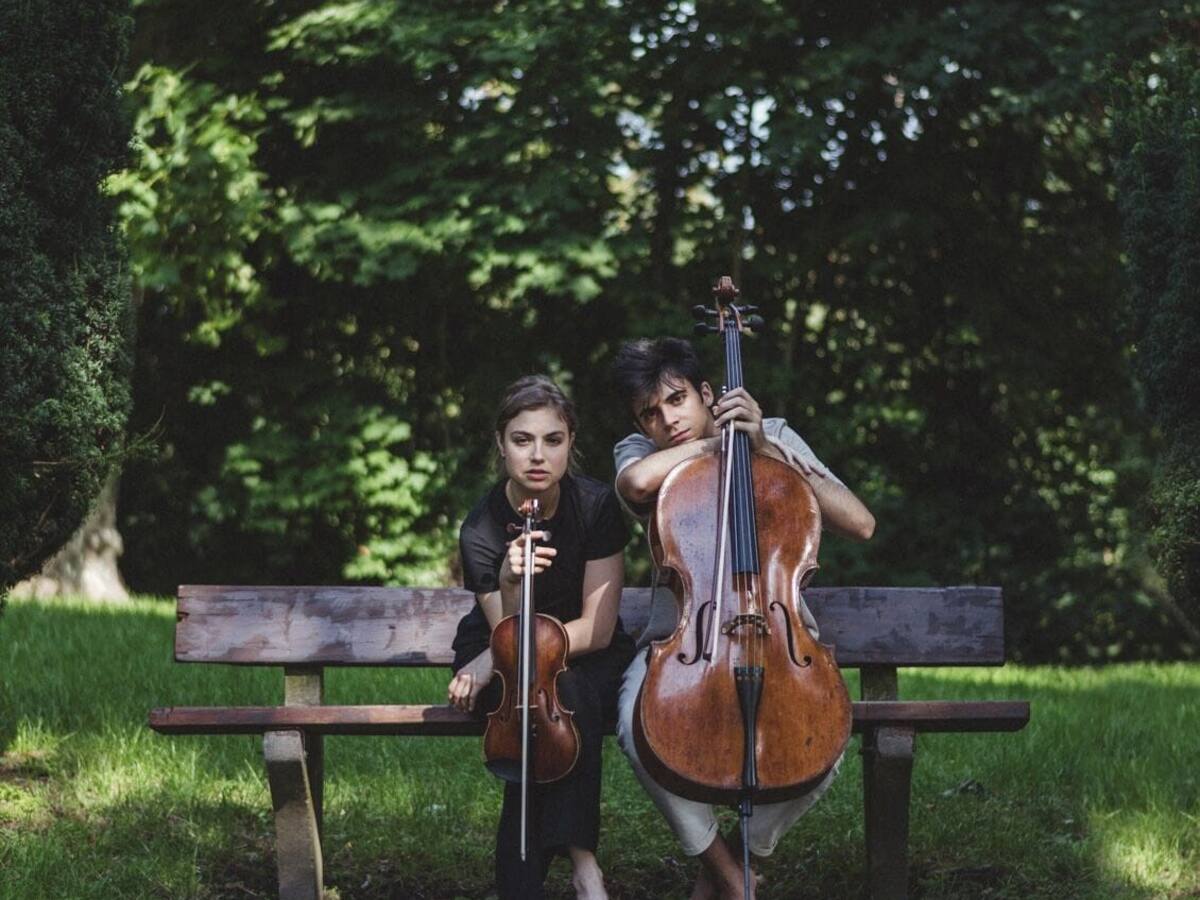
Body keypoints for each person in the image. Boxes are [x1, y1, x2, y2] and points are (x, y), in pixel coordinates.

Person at [609, 337, 876, 900]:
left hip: (782, 640)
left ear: (707, 392)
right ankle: (735, 882)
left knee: (822, 747)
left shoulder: (771, 434)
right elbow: (634, 485)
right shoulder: (638, 451)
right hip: (683, 644)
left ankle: (739, 857)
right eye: (650, 413)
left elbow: (860, 521)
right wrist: (716, 442)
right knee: (639, 733)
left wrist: (761, 446)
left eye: (677, 399)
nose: (666, 419)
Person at [447, 375, 636, 900]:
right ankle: (585, 865)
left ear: (570, 443)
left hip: (584, 646)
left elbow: (598, 629)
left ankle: (526, 884)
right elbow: (509, 635)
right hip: (507, 641)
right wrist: (509, 585)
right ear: (501, 445)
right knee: (541, 705)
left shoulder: (595, 507)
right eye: (522, 439)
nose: (538, 455)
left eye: (552, 440)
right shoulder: (482, 528)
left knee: (565, 696)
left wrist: (494, 660)